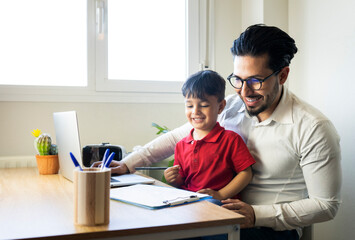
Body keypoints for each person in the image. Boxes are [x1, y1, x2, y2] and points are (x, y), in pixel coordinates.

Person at [92, 24, 342, 240]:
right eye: (238, 79)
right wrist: (126, 165)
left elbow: (326, 205)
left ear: (283, 75)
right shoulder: (232, 106)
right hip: (214, 212)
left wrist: (256, 214)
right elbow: (178, 136)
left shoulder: (313, 128)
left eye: (256, 81)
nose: (244, 92)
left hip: (269, 228)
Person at [164, 70, 255, 202]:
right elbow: (181, 180)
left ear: (220, 107)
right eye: (189, 105)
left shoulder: (231, 140)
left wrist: (221, 195)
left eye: (204, 105)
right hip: (189, 201)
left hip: (218, 203)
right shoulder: (181, 145)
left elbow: (246, 173)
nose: (195, 111)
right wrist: (173, 179)